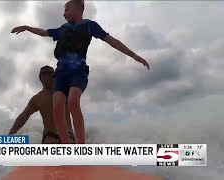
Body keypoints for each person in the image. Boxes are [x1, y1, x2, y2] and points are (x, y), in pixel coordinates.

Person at [11, 0, 150, 144]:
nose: (63, 14)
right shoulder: (62, 29)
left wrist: (134, 56)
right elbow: (43, 32)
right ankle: (66, 146)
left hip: (78, 71)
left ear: (79, 9)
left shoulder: (90, 26)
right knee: (57, 106)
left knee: (72, 102)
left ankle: (81, 146)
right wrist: (27, 27)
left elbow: (112, 41)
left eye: (66, 10)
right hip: (61, 73)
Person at [8, 65, 76, 144]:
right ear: (40, 78)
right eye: (44, 75)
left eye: (50, 74)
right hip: (50, 134)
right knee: (49, 142)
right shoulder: (37, 99)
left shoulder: (64, 92)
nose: (47, 77)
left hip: (67, 132)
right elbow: (24, 115)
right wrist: (11, 133)